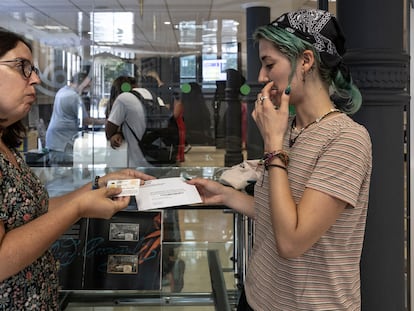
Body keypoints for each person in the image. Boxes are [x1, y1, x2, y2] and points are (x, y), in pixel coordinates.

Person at [188, 8, 372, 311]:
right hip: (259, 295)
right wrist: (224, 194)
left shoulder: (347, 139)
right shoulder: (288, 129)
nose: (262, 78)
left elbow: (292, 241)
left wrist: (273, 145)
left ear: (306, 61)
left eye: (269, 64)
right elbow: (277, 210)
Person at [0, 29, 155, 309]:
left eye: (33, 69)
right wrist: (79, 208)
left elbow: (36, 210)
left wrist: (97, 186)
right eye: (22, 67)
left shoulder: (6, 148)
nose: (35, 78)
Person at [45, 71, 105, 165]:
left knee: (57, 174)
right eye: (87, 86)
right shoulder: (74, 97)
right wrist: (105, 121)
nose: (88, 90)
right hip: (63, 143)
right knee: (66, 174)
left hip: (54, 141)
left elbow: (71, 113)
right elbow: (85, 121)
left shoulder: (62, 91)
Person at [105, 75, 153, 167]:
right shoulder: (148, 96)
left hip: (132, 160)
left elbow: (109, 130)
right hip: (153, 154)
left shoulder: (123, 99)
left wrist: (117, 133)